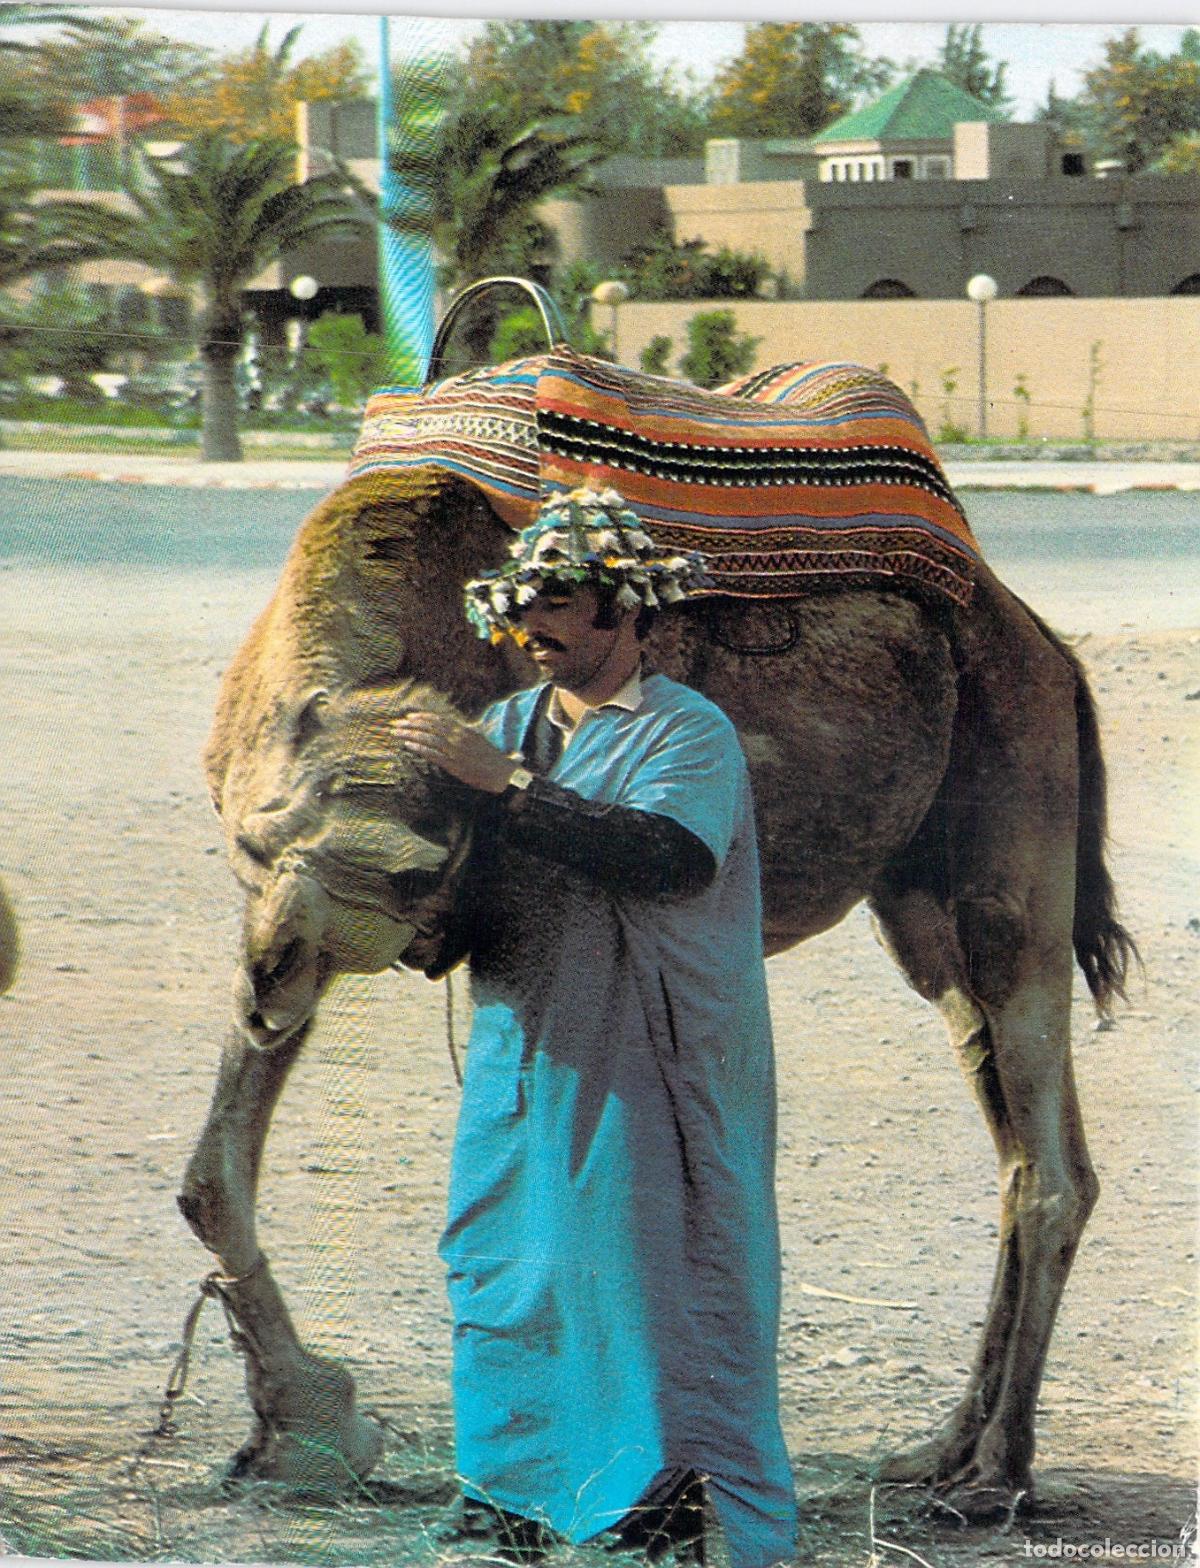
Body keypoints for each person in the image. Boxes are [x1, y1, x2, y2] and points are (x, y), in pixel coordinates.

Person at [395, 488, 798, 1568]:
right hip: (525, 1046)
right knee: (501, 1261)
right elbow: (471, 886)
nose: (536, 624)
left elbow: (666, 857)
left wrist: (508, 790)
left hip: (647, 1053)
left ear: (629, 615)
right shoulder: (507, 726)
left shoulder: (688, 730)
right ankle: (508, 1498)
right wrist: (415, 906)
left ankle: (655, 1504)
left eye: (563, 603)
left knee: (641, 1270)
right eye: (524, 603)